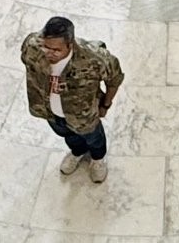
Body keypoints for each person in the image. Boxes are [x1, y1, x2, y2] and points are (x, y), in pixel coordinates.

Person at [20, 16, 124, 184]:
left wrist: (106, 104)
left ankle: (97, 159)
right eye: (46, 47)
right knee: (66, 134)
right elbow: (26, 58)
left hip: (83, 115)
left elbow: (115, 79)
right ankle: (78, 151)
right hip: (50, 111)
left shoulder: (95, 59)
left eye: (55, 50)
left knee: (94, 138)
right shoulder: (32, 47)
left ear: (70, 44)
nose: (49, 53)